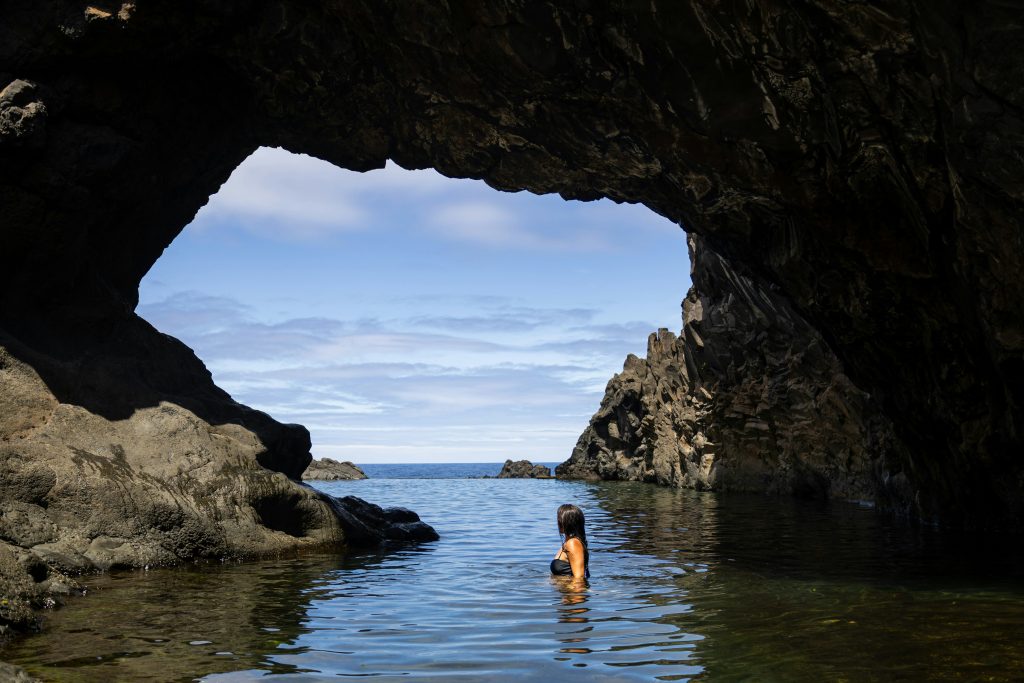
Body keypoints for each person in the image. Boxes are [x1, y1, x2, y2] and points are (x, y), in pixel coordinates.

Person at [550, 503, 590, 579]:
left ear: (568, 523)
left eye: (560, 520)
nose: (558, 523)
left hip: (569, 590)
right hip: (563, 589)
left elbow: (579, 578)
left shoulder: (573, 544)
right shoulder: (568, 543)